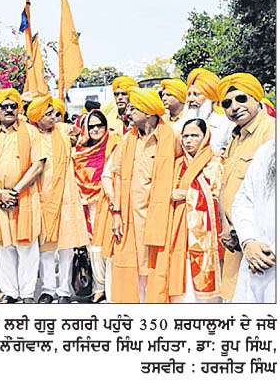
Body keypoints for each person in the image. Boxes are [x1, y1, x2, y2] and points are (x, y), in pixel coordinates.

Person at [101, 87, 177, 303]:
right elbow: (113, 175)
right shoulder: (128, 140)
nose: (129, 112)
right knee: (131, 271)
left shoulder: (171, 138)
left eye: (134, 108)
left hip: (160, 218)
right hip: (129, 219)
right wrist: (116, 212)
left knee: (155, 270)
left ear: (149, 112)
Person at [0, 88, 45, 303]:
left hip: (25, 196)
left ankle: (27, 293)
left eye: (13, 106)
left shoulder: (30, 131)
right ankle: (11, 292)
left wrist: (15, 191)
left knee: (27, 247)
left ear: (18, 108)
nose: (9, 110)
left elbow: (38, 165)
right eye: (4, 107)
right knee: (3, 247)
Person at [217, 73, 275, 301]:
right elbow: (227, 187)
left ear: (257, 99)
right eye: (227, 103)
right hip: (237, 239)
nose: (234, 107)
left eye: (241, 99)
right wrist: (226, 226)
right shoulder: (235, 137)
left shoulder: (271, 133)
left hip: (261, 243)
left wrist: (248, 238)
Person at [28, 94, 89, 304]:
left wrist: (76, 138)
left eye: (53, 113)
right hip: (42, 196)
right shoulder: (31, 134)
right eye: (47, 114)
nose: (53, 117)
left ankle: (63, 290)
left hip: (66, 195)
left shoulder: (62, 129)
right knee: (46, 247)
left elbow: (82, 135)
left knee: (67, 246)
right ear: (36, 118)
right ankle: (48, 289)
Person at [167, 119, 224, 303]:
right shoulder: (178, 164)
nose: (189, 140)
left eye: (194, 136)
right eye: (185, 136)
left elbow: (217, 197)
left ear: (205, 137)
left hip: (204, 231)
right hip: (179, 229)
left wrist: (188, 194)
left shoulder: (215, 162)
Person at [73, 109, 122, 303]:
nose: (95, 130)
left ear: (106, 126)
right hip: (86, 205)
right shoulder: (79, 151)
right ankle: (98, 287)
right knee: (92, 246)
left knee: (108, 244)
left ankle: (111, 287)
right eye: (91, 126)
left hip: (108, 202)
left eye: (99, 125)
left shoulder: (114, 146)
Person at [232, 139, 275, 303]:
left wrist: (271, 252)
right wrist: (249, 241)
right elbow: (243, 199)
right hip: (253, 261)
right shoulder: (266, 150)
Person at [178, 68, 235, 153]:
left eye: (196, 94)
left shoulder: (227, 123)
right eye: (189, 94)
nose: (190, 99)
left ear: (211, 97)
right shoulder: (179, 125)